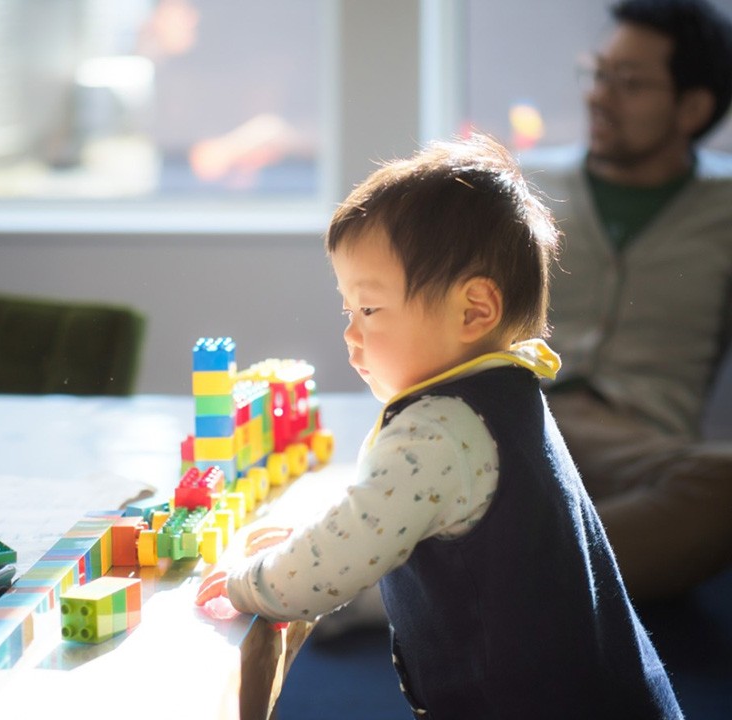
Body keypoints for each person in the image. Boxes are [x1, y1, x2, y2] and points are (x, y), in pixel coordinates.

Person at [196, 134, 682, 718]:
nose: (351, 333)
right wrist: (302, 546)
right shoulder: (503, 390)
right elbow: (377, 517)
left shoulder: (439, 429)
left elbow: (330, 567)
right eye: (347, 310)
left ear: (475, 309)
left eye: (370, 309)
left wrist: (245, 583)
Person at [523, 0, 732, 602]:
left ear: (693, 108)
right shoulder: (524, 188)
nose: (600, 96)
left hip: (643, 457)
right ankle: (565, 576)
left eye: (631, 83)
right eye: (599, 74)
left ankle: (501, 580)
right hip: (521, 419)